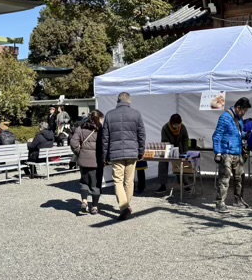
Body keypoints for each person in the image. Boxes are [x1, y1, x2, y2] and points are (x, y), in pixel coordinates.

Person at [101, 92, 146, 221]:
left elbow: (105, 139)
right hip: (132, 152)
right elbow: (141, 135)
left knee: (118, 181)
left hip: (116, 153)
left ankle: (124, 207)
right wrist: (141, 151)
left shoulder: (109, 115)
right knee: (129, 181)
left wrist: (105, 156)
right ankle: (127, 206)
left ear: (117, 101)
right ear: (129, 101)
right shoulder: (136, 114)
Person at [212, 97, 251, 213]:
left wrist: (245, 134)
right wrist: (217, 152)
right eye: (244, 110)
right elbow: (217, 135)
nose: (244, 113)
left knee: (240, 178)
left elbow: (237, 133)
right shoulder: (225, 117)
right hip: (226, 152)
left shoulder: (239, 119)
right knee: (224, 179)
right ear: (238, 108)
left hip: (237, 152)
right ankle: (219, 203)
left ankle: (238, 200)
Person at [70, 110, 104, 215]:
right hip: (96, 162)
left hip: (83, 161)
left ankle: (84, 201)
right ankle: (94, 206)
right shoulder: (101, 130)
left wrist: (79, 153)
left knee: (84, 182)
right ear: (98, 119)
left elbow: (73, 142)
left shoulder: (80, 128)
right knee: (95, 184)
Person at [156, 113, 190, 194]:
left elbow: (185, 139)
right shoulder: (165, 128)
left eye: (178, 124)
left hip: (180, 148)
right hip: (168, 148)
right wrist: (171, 150)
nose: (176, 126)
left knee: (182, 164)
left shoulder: (182, 127)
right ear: (171, 123)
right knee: (162, 163)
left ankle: (185, 184)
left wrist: (185, 150)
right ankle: (162, 185)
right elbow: (164, 141)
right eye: (175, 124)